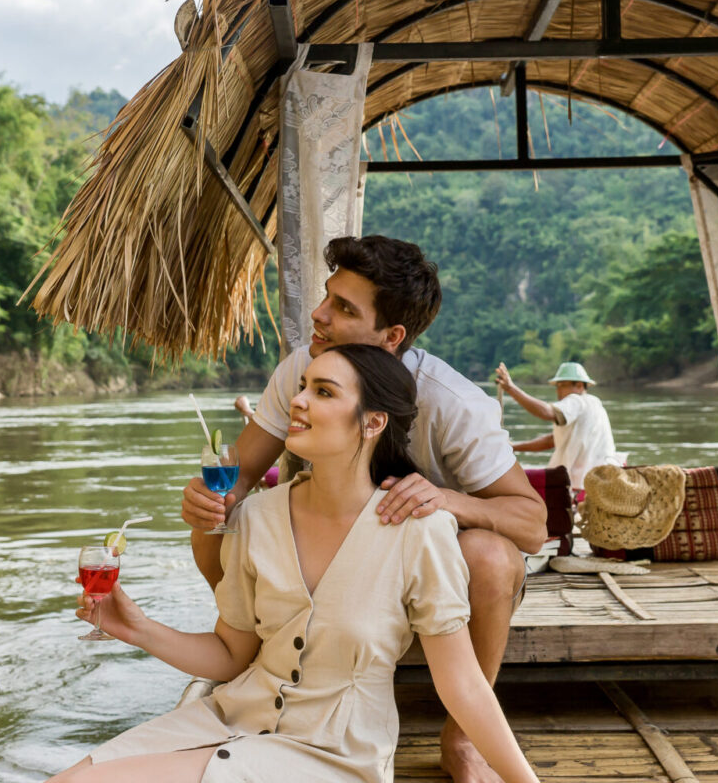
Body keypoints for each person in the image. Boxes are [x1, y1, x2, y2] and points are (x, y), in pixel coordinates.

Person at [47, 345, 541, 783]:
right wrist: (136, 628)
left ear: (372, 423)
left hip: (334, 753)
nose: (299, 399)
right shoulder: (256, 517)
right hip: (229, 718)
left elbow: (464, 686)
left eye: (323, 392)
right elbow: (230, 655)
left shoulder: (419, 531)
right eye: (302, 386)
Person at [182, 235, 546, 783]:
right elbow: (238, 477)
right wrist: (209, 498)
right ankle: (253, 656)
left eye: (344, 309)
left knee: (494, 557)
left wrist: (445, 499)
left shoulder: (454, 403)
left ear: (392, 336)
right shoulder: (303, 372)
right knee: (222, 525)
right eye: (327, 296)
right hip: (333, 548)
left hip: (423, 556)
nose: (319, 315)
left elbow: (533, 524)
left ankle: (465, 737)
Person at [494, 361, 620, 493]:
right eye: (557, 386)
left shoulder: (576, 400)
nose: (558, 391)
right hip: (602, 478)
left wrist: (510, 388)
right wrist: (513, 447)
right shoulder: (595, 404)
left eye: (562, 385)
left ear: (579, 385)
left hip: (580, 483)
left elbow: (546, 412)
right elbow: (551, 440)